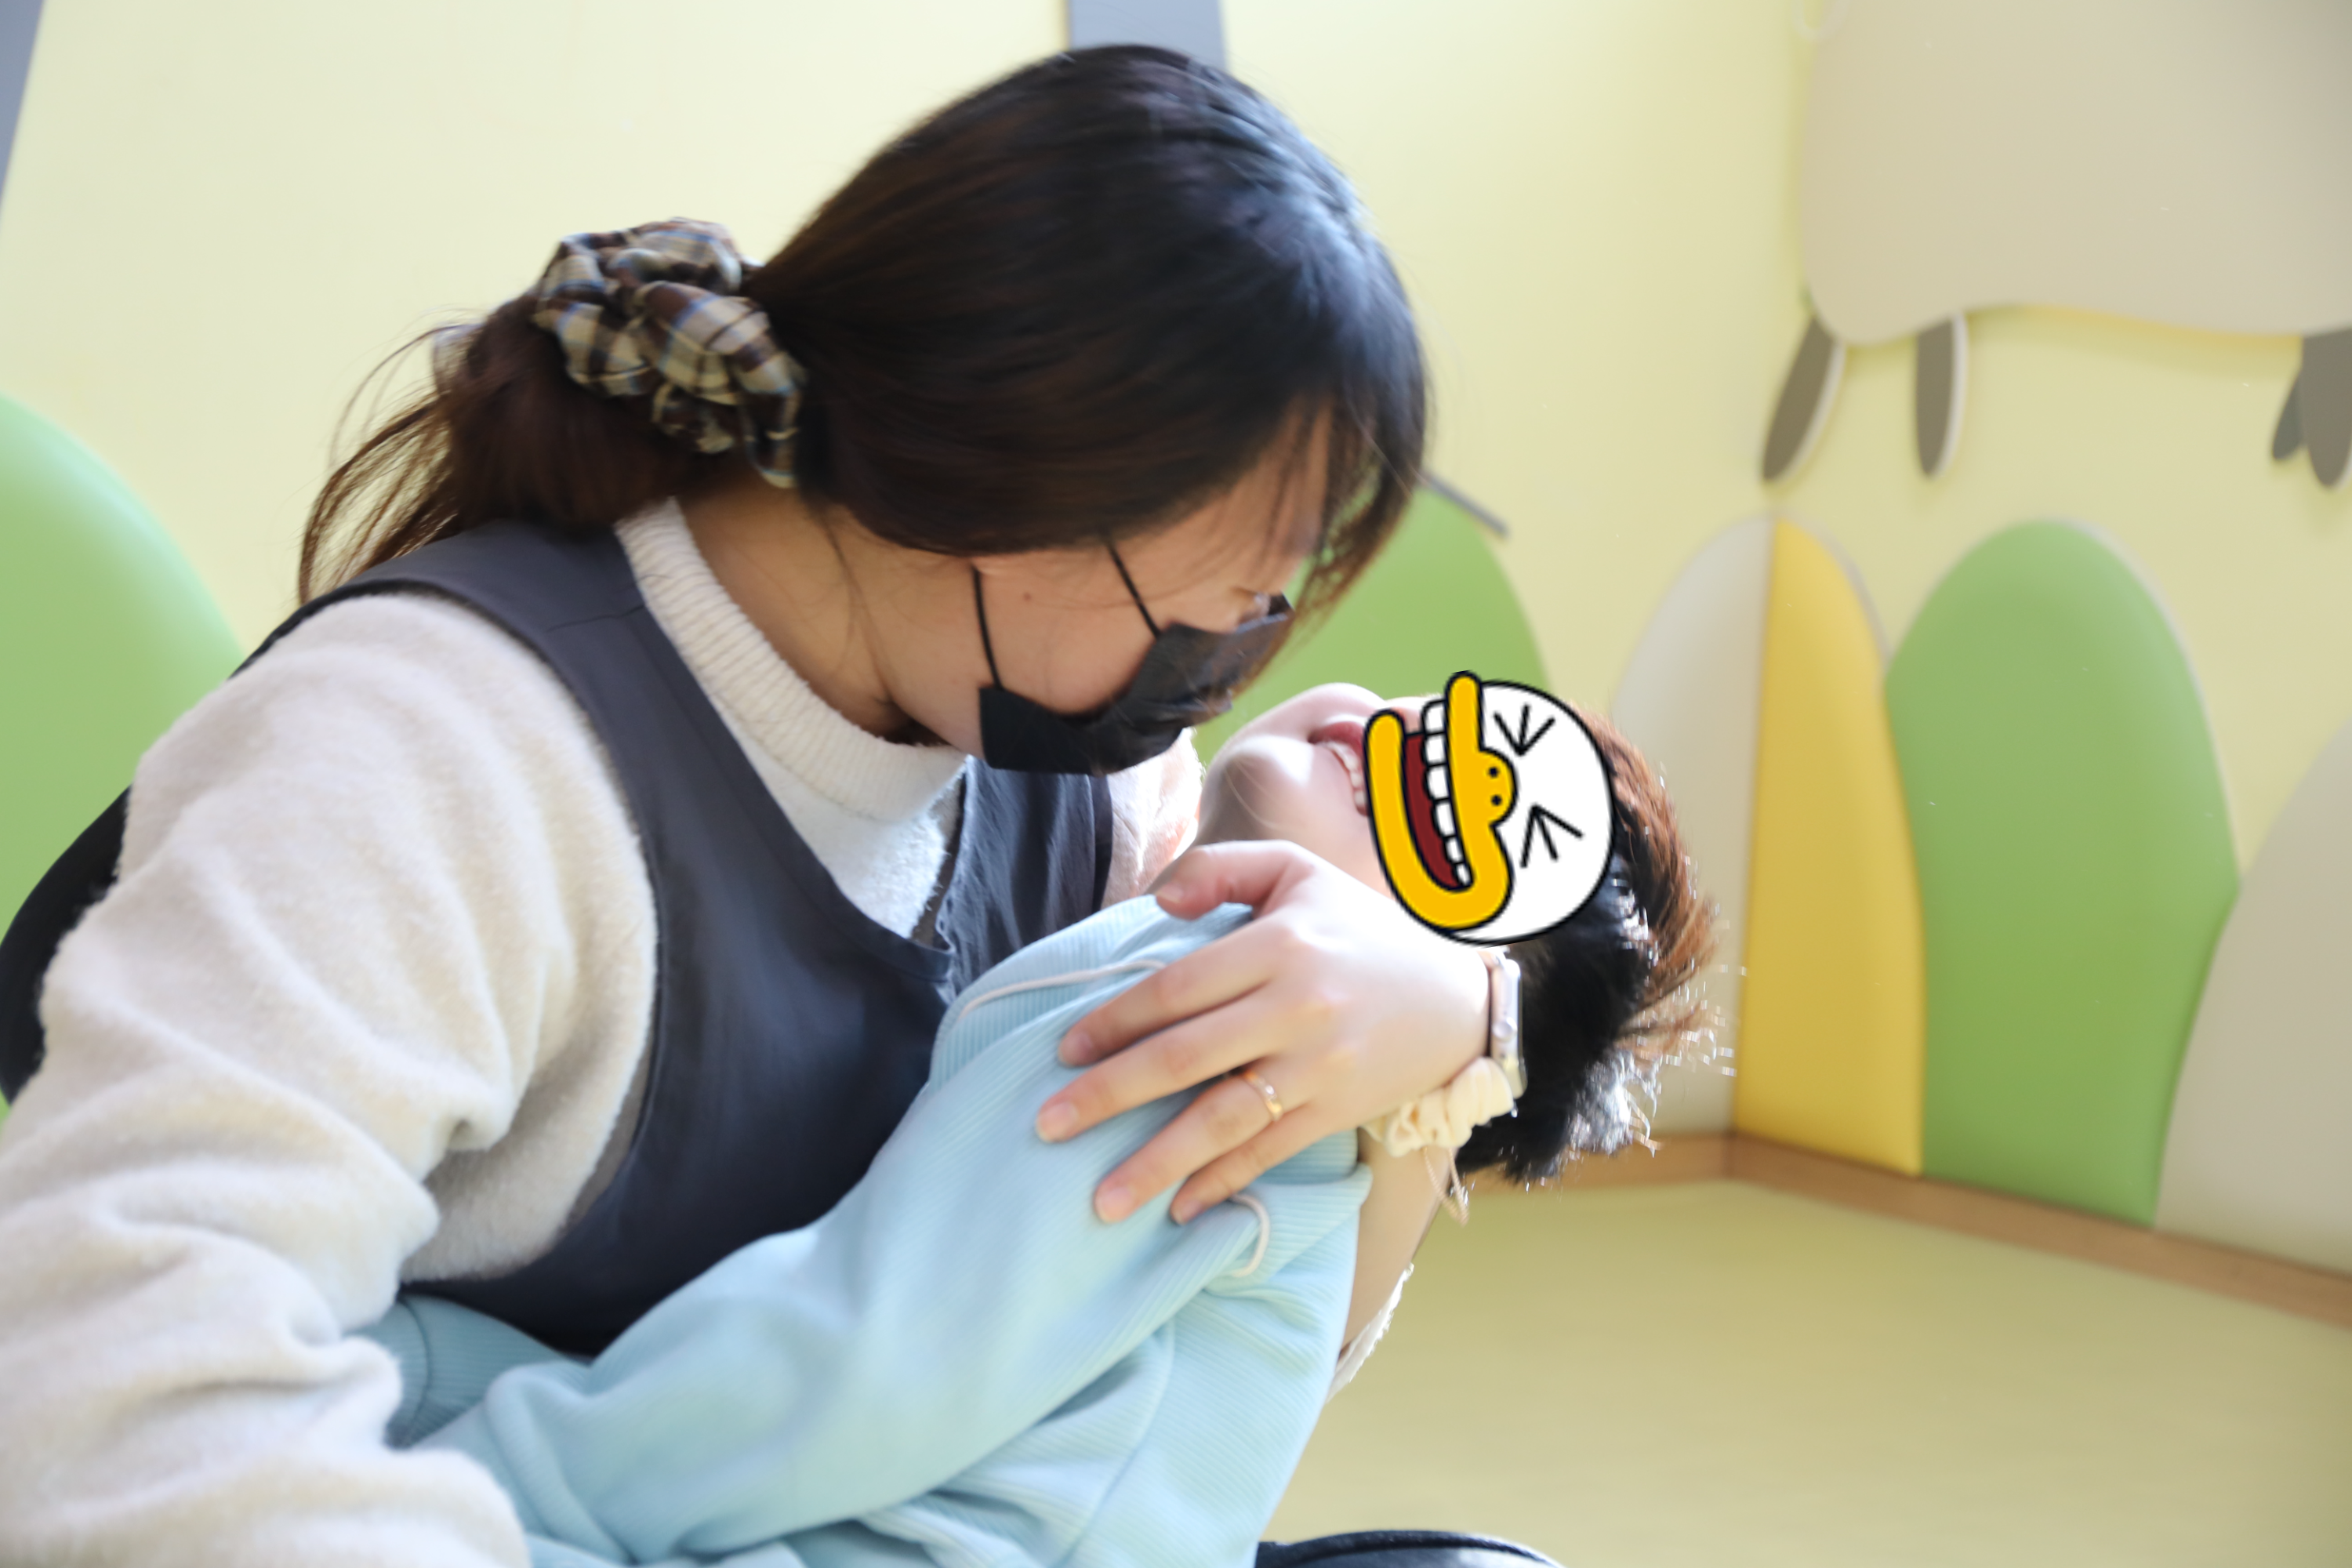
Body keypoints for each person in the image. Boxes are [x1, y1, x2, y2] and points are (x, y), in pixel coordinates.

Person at [0, 48, 1526, 1568]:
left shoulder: (1092, 791)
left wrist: (1451, 1030)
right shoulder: (437, 752)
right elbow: (109, 1406)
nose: (1229, 667)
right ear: (1010, 495)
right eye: (1226, 604)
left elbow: (1186, 1373)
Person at [350, 685, 1713, 1568]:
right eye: (1441, 719)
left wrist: (497, 1489)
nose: (1387, 743)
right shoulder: (1151, 835)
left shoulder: (1225, 1008)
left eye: (1453, 848)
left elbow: (878, 1356)